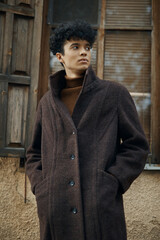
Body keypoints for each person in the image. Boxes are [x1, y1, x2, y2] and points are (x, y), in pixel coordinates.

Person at [26, 20, 149, 240]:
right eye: (75, 47)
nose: (84, 52)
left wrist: (112, 181)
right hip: (55, 209)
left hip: (100, 209)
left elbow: (136, 146)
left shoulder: (114, 94)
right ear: (60, 57)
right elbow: (34, 153)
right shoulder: (47, 103)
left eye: (87, 47)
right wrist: (42, 187)